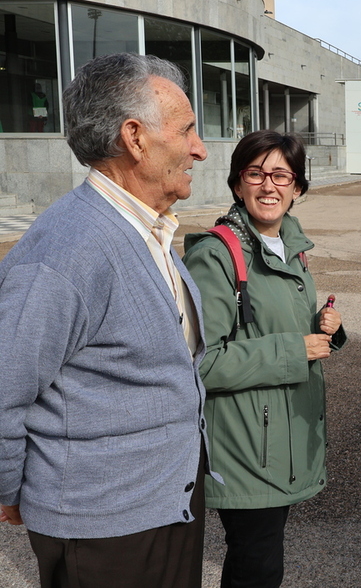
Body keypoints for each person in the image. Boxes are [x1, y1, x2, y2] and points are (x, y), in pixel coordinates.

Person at [0, 53, 212, 587]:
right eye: (187, 130)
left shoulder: (145, 229)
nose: (200, 150)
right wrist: (13, 492)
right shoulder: (68, 250)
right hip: (104, 530)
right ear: (135, 138)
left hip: (163, 505)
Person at [182, 130, 345, 588]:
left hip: (279, 438)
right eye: (255, 173)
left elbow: (270, 323)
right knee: (258, 565)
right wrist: (296, 349)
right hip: (247, 445)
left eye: (281, 175)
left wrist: (323, 325)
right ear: (237, 184)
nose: (268, 185)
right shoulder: (215, 255)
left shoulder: (289, 246)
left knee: (257, 560)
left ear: (298, 187)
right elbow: (204, 363)